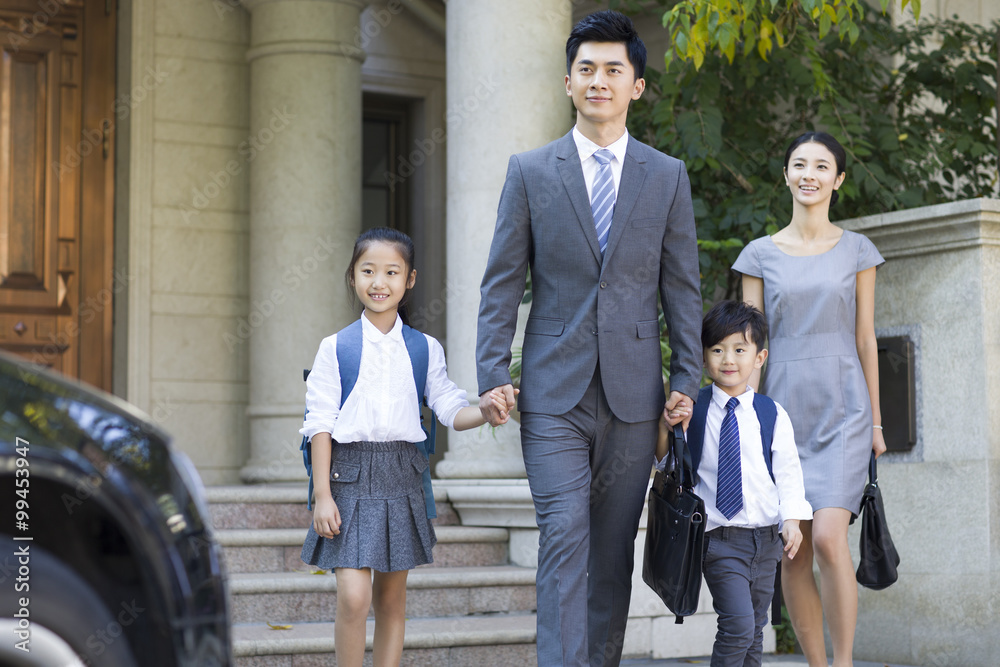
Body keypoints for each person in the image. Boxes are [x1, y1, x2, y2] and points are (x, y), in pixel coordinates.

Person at [476, 10, 703, 666]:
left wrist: (686, 380)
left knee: (610, 557)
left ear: (636, 85)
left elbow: (682, 290)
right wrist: (494, 368)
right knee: (564, 538)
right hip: (553, 394)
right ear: (568, 83)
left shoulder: (667, 177)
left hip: (636, 399)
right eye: (586, 69)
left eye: (613, 69)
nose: (598, 80)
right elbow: (501, 280)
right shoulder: (531, 172)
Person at [300, 227, 511, 667]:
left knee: (392, 603)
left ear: (409, 279)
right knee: (354, 599)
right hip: (348, 478)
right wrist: (322, 494)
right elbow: (319, 424)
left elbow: (451, 408)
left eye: (391, 272)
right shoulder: (335, 347)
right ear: (353, 277)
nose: (379, 282)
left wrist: (486, 411)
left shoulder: (424, 348)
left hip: (402, 474)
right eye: (368, 271)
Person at [733, 132, 885, 667]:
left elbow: (866, 338)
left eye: (822, 166)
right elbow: (748, 345)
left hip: (844, 409)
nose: (809, 174)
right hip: (781, 413)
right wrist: (742, 422)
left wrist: (877, 426)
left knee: (825, 538)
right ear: (786, 175)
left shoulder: (858, 250)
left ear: (838, 180)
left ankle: (842, 662)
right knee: (791, 551)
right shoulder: (758, 255)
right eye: (799, 164)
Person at [659, 300, 812, 666]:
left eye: (739, 350)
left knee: (755, 630)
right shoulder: (692, 409)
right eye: (717, 349)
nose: (728, 359)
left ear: (759, 358)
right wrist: (666, 428)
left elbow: (788, 472)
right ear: (704, 356)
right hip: (718, 540)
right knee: (739, 626)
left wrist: (791, 519)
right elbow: (667, 463)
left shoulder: (771, 413)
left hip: (766, 540)